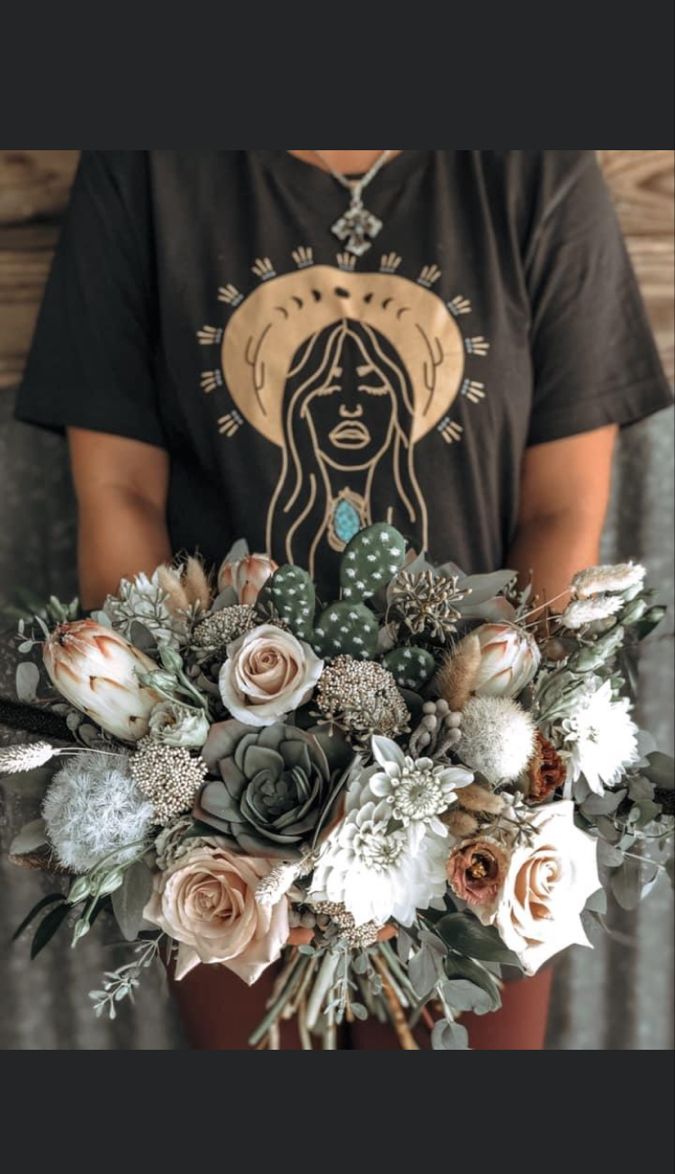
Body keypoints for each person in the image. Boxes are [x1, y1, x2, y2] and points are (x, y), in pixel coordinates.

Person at [15, 150, 673, 1050]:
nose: (350, 405)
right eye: (326, 388)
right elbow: (119, 491)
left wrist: (468, 795)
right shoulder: (147, 166)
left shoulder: (533, 164)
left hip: (487, 788)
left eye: (374, 387)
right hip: (219, 803)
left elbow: (561, 507)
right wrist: (207, 789)